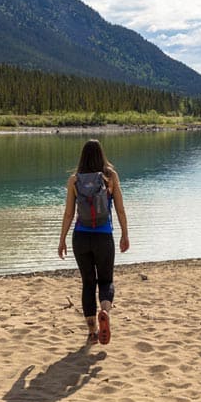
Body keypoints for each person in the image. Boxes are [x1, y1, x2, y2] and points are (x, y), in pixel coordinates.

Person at [57, 138, 129, 345]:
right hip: (103, 236)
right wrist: (125, 234)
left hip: (81, 237)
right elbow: (121, 209)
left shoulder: (74, 180)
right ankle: (104, 311)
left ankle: (91, 332)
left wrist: (61, 240)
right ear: (101, 155)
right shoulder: (110, 177)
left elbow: (69, 214)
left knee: (88, 283)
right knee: (106, 281)